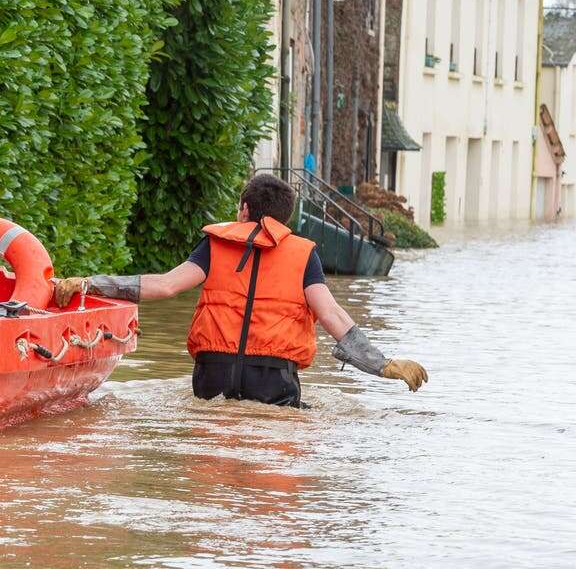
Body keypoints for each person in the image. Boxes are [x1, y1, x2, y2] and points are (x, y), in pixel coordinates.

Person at [52, 173, 427, 407]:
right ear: (286, 218)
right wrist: (383, 365)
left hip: (213, 373)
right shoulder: (302, 255)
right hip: (272, 380)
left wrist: (90, 283)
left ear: (244, 209)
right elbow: (332, 316)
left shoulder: (215, 245)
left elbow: (164, 286)